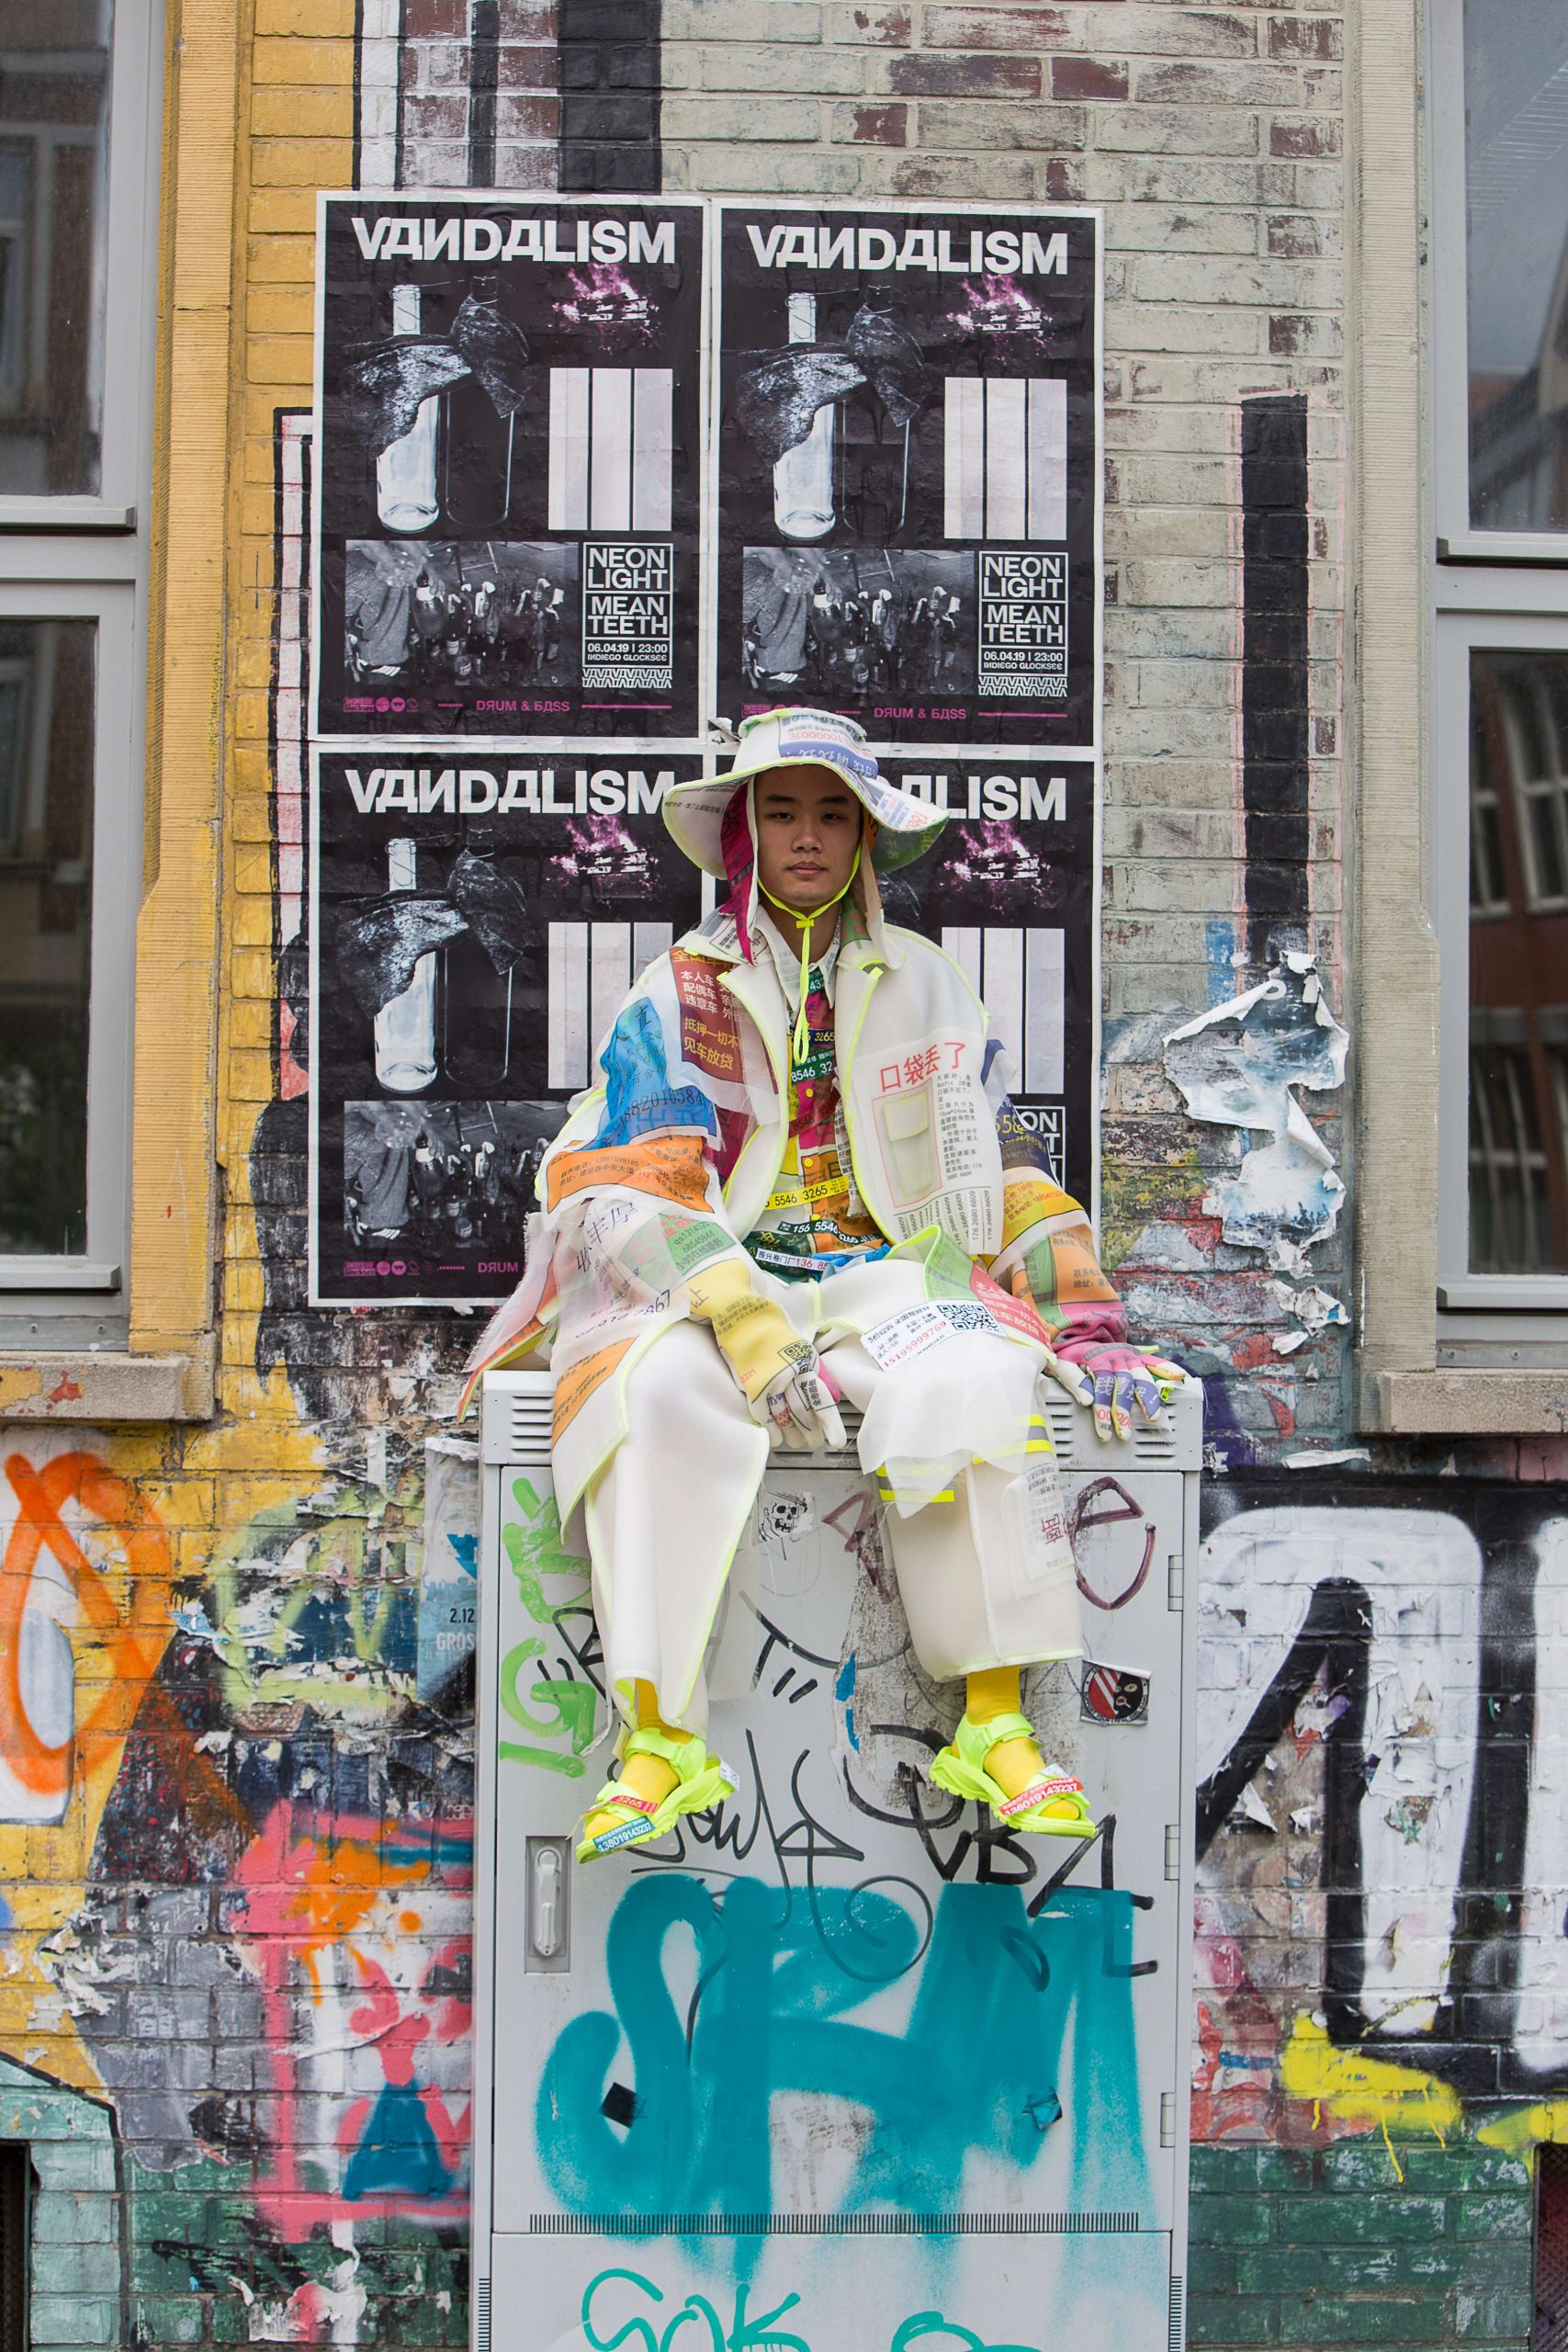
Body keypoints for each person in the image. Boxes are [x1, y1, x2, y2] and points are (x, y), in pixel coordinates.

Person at [461, 709, 1184, 1864]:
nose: (807, 837)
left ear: (864, 836)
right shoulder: (680, 986)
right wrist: (741, 1314)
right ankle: (657, 1737)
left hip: (881, 1277)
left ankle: (994, 1718)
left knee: (977, 1368)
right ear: (745, 831)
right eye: (784, 812)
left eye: (833, 815)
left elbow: (997, 1161)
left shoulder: (928, 981)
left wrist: (1084, 1322)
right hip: (717, 1281)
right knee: (652, 1396)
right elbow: (636, 1172)